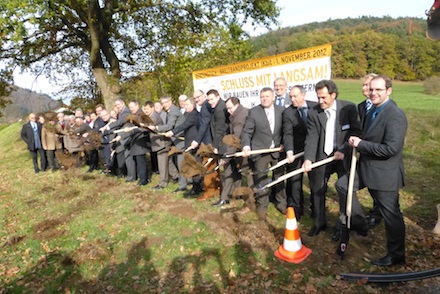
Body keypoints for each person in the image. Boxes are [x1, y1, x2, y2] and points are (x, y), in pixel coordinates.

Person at [338, 75, 407, 266]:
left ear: (389, 91)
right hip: (366, 168)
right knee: (342, 185)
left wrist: (362, 145)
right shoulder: (372, 110)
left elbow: (391, 149)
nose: (374, 93)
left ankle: (396, 255)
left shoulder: (395, 115)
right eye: (371, 89)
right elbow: (363, 135)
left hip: (385, 174)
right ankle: (360, 223)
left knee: (391, 215)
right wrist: (354, 141)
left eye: (379, 90)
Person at [302, 79, 361, 237]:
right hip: (323, 156)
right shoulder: (314, 112)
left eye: (324, 97)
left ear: (333, 95)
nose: (320, 101)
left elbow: (356, 132)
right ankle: (319, 222)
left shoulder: (348, 108)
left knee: (343, 190)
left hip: (343, 156)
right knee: (317, 188)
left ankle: (342, 225)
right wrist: (308, 158)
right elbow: (312, 137)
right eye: (318, 97)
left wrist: (344, 149)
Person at [241, 87, 287, 220]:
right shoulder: (254, 112)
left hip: (278, 150)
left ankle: (281, 203)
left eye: (267, 96)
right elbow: (246, 132)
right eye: (262, 97)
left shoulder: (281, 111)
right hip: (260, 151)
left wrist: (284, 143)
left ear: (273, 97)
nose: (264, 99)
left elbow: (286, 130)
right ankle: (262, 206)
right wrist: (246, 146)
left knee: (278, 178)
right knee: (261, 179)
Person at [282, 85, 318, 220]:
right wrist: (289, 151)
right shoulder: (288, 112)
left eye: (295, 96)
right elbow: (288, 133)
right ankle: (297, 208)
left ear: (303, 95)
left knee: (315, 181)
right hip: (297, 150)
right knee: (295, 180)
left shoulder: (315, 107)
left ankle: (316, 209)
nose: (292, 99)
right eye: (290, 97)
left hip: (314, 150)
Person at [212, 97, 250, 207]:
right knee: (229, 172)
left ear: (237, 104)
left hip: (243, 149)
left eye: (230, 108)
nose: (228, 111)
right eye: (227, 108)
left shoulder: (241, 116)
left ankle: (250, 200)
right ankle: (226, 197)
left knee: (247, 174)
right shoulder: (234, 114)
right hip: (235, 149)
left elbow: (235, 139)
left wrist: (226, 157)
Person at [357, 73, 382, 229]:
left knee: (378, 185)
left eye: (368, 85)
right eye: (364, 85)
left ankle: (378, 213)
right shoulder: (360, 106)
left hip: (377, 154)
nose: (365, 88)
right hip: (362, 151)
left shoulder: (380, 107)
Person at [197, 89, 228, 202]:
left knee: (227, 169)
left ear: (218, 96)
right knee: (221, 169)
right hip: (218, 140)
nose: (210, 102)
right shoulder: (215, 107)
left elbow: (220, 129)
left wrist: (215, 146)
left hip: (223, 142)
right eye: (208, 99)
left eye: (212, 99)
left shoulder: (220, 109)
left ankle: (225, 193)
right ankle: (219, 190)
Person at [165, 97, 200, 193]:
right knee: (186, 165)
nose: (185, 106)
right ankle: (185, 185)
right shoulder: (187, 114)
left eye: (187, 104)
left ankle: (197, 187)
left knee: (194, 166)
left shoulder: (194, 115)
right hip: (187, 143)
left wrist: (172, 132)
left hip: (193, 144)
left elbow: (184, 125)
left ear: (193, 105)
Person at [149, 95, 185, 189]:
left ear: (171, 101)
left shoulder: (173, 111)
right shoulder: (170, 111)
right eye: (163, 103)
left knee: (180, 162)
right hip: (174, 139)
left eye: (166, 102)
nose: (164, 105)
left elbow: (170, 126)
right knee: (168, 158)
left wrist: (157, 128)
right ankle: (176, 177)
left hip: (180, 140)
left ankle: (179, 184)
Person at [187, 90, 212, 196]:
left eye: (198, 97)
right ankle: (206, 189)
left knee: (209, 167)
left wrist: (196, 141)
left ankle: (209, 191)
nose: (197, 99)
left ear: (204, 96)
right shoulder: (203, 107)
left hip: (208, 142)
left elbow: (204, 126)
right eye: (195, 98)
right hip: (204, 141)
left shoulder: (206, 107)